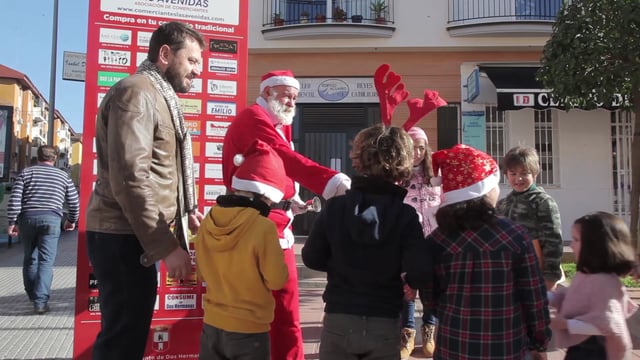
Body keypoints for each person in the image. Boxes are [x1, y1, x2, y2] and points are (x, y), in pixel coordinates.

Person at [85, 22, 205, 359]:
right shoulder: (137, 92)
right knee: (122, 342)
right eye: (192, 61)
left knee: (127, 336)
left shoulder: (156, 95)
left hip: (132, 235)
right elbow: (130, 178)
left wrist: (183, 209)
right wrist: (165, 247)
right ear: (165, 54)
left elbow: (156, 172)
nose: (198, 71)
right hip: (124, 237)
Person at [222, 69, 351, 360]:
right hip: (262, 228)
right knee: (282, 311)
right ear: (267, 92)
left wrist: (292, 201)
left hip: (269, 224)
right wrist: (334, 182)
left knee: (277, 311)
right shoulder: (254, 117)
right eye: (286, 95)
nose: (292, 102)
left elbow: (272, 170)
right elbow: (284, 157)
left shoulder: (272, 121)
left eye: (295, 97)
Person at [302, 124, 432, 360]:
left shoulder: (335, 207)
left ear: (358, 159)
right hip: (383, 318)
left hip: (339, 314)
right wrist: (407, 280)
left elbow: (311, 257)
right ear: (402, 163)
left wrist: (340, 263)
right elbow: (420, 271)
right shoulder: (405, 215)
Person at [426, 144, 551, 360]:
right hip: (506, 346)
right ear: (484, 190)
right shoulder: (515, 236)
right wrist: (539, 341)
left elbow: (430, 298)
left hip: (454, 345)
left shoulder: (437, 241)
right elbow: (534, 297)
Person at [197, 139, 289, 360]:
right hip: (249, 330)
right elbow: (277, 280)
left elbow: (201, 272)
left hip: (211, 325)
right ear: (266, 196)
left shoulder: (209, 218)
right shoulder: (263, 227)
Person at [549, 212, 638, 360]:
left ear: (595, 246)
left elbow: (608, 325)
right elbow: (575, 297)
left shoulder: (604, 282)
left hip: (597, 351)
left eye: (576, 240)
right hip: (581, 346)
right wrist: (544, 297)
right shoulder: (587, 274)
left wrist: (566, 324)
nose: (571, 245)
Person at [7, 145, 79, 314]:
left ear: (37, 157)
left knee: (30, 258)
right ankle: (40, 302)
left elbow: (15, 199)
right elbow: (74, 202)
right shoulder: (63, 176)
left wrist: (12, 221)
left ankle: (33, 295)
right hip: (52, 220)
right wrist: (71, 220)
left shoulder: (26, 173)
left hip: (28, 219)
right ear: (54, 159)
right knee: (46, 262)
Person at [496, 145, 564, 291]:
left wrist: (550, 277)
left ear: (535, 174)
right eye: (513, 173)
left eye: (524, 173)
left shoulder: (543, 202)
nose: (518, 178)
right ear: (506, 174)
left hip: (534, 273)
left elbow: (554, 241)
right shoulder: (503, 203)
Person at [399, 126, 442, 359]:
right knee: (407, 287)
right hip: (408, 242)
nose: (417, 152)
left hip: (433, 241)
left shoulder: (436, 177)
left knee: (430, 287)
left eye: (421, 148)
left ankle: (429, 329)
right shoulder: (398, 177)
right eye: (413, 148)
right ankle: (407, 331)